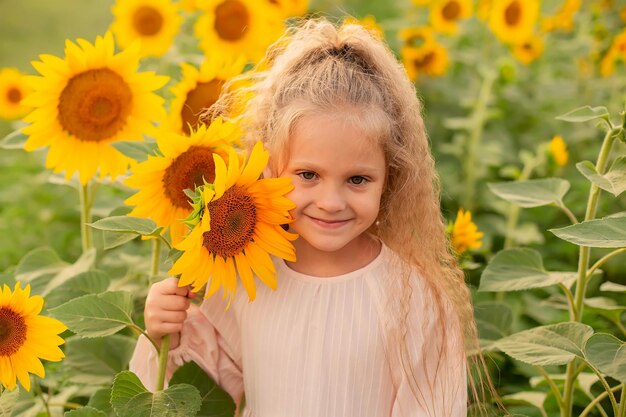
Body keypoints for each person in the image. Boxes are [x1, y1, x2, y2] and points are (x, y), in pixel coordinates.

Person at [130, 18, 488, 417]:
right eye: (308, 175)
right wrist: (166, 333)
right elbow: (201, 393)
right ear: (269, 167)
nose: (331, 201)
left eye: (357, 179)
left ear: (391, 177)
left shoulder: (412, 296)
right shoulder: (248, 276)